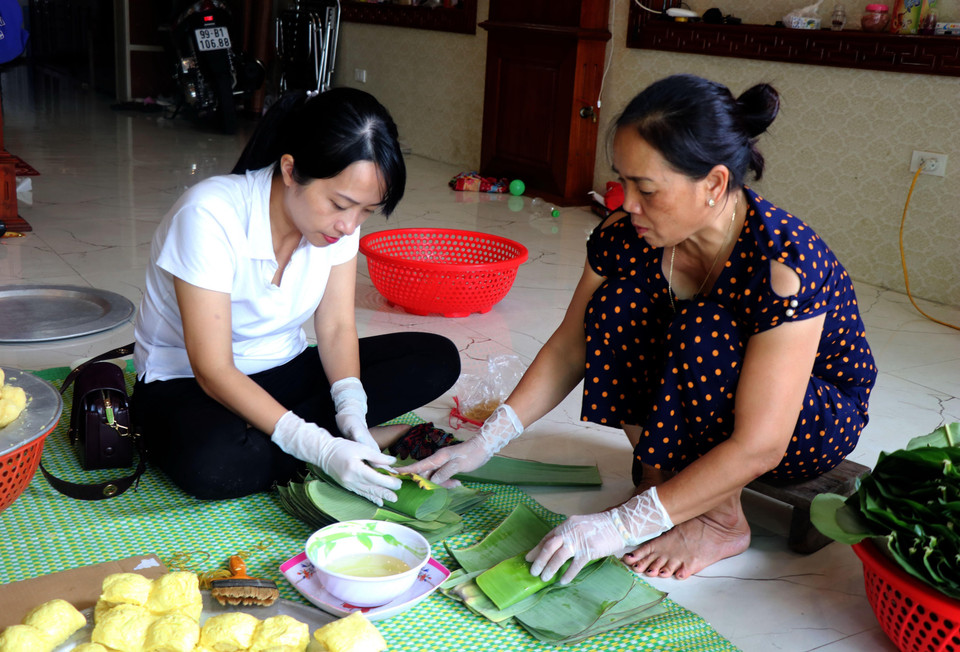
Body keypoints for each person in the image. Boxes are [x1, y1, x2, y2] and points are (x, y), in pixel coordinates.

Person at [406, 74, 877, 583]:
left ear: (715, 185)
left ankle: (720, 521)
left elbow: (763, 442)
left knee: (704, 328)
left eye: (646, 189)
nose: (627, 202)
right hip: (713, 396)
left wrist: (624, 524)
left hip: (809, 420)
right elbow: (570, 346)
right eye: (623, 182)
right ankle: (661, 482)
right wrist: (484, 443)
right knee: (617, 304)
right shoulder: (625, 234)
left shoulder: (784, 264)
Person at [133, 88, 461, 503]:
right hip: (189, 384)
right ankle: (346, 444)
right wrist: (320, 448)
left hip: (281, 368)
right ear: (290, 170)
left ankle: (336, 439)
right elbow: (212, 369)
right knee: (216, 464)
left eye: (364, 211)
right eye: (341, 204)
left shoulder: (337, 223)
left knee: (435, 358)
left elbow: (337, 326)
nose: (349, 225)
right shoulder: (208, 215)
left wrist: (351, 407)